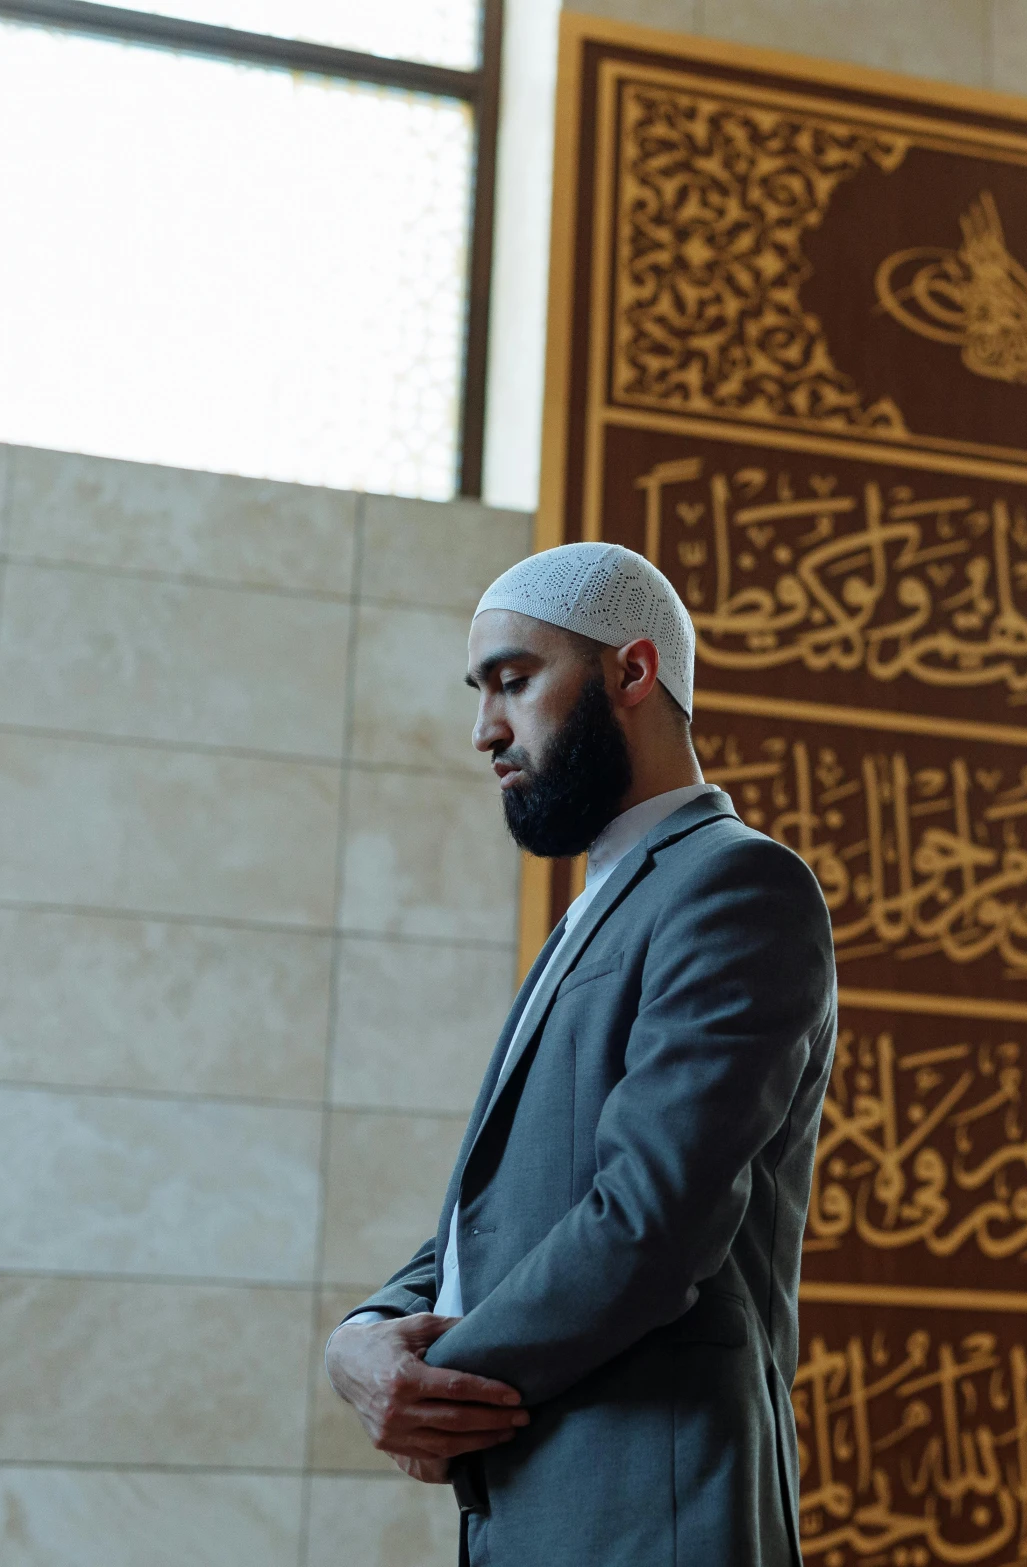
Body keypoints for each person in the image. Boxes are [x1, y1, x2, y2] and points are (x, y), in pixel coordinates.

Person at [323, 543, 837, 1566]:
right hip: (544, 1506)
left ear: (631, 674)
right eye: (481, 692)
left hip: (652, 1508)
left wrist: (432, 1379)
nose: (485, 730)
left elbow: (649, 1224)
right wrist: (367, 1332)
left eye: (515, 680)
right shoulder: (595, 913)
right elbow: (501, 1219)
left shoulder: (736, 885)